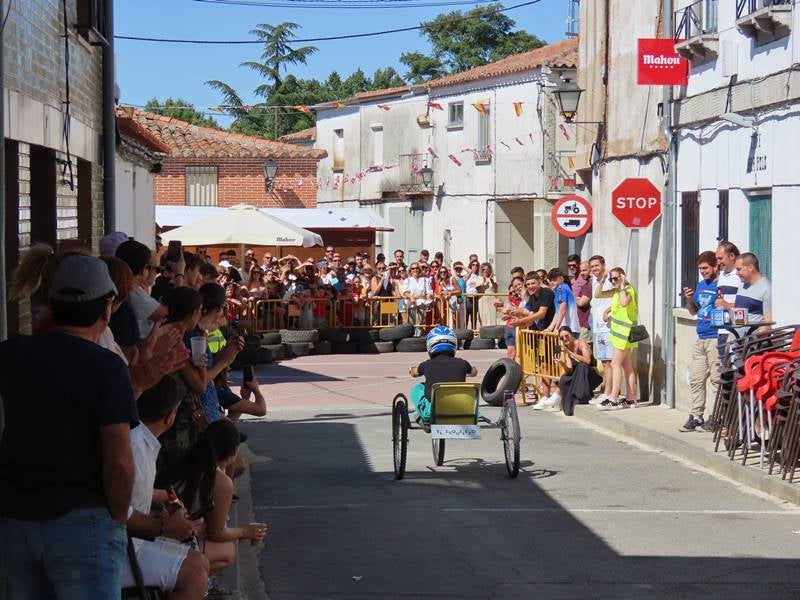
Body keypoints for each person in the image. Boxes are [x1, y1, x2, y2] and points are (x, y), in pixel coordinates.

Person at [0, 255, 137, 599]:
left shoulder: (11, 353)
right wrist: (119, 517)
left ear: (52, 303)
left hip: (16, 519)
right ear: (107, 309)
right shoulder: (106, 368)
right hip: (83, 519)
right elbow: (119, 459)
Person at [123, 377, 209, 598]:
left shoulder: (141, 441)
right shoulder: (137, 447)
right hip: (121, 550)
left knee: (199, 563)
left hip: (132, 542)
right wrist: (164, 526)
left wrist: (160, 507)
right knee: (195, 577)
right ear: (170, 417)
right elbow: (119, 510)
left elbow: (130, 498)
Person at [157, 420, 268, 574]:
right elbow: (217, 533)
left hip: (157, 530)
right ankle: (192, 583)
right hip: (169, 539)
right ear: (233, 452)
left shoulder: (187, 458)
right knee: (228, 551)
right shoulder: (220, 482)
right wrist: (245, 532)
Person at [680, 251, 720, 432]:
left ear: (715, 266)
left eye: (705, 268)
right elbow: (694, 311)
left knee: (717, 380)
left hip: (715, 337)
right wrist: (689, 298)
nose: (702, 272)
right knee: (696, 379)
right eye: (700, 269)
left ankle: (718, 416)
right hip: (701, 337)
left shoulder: (722, 284)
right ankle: (696, 416)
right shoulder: (702, 285)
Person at [408, 326, 477, 422]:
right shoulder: (462, 363)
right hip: (460, 409)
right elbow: (474, 372)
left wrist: (411, 370)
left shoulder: (427, 365)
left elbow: (415, 373)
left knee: (417, 389)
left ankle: (424, 415)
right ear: (453, 344)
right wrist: (470, 370)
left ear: (430, 345)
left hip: (434, 412)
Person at [594, 267, 638, 410]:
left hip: (625, 334)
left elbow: (625, 302)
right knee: (627, 366)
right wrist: (602, 280)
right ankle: (631, 399)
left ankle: (613, 398)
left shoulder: (628, 290)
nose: (613, 281)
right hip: (619, 333)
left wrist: (623, 286)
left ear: (622, 277)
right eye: (611, 279)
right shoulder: (615, 291)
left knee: (615, 364)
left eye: (615, 278)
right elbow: (598, 294)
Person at [548, 326, 603, 415]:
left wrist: (571, 354)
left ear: (571, 334)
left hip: (592, 375)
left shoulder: (581, 344)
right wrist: (562, 363)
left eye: (567, 335)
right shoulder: (566, 349)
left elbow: (587, 360)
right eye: (562, 337)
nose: (565, 339)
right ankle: (568, 405)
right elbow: (569, 370)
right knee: (564, 379)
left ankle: (581, 397)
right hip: (579, 376)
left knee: (581, 366)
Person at [588, 255, 614, 404]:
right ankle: (606, 391)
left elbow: (619, 295)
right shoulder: (595, 281)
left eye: (596, 266)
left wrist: (607, 312)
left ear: (603, 265)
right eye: (592, 267)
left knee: (609, 362)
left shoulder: (611, 278)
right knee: (604, 362)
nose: (594, 269)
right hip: (597, 326)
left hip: (608, 326)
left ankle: (609, 392)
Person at [734, 252, 772, 333]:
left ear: (750, 267)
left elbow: (768, 322)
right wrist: (729, 340)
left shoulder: (766, 288)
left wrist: (755, 341)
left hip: (752, 343)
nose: (736, 273)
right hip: (736, 343)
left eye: (739, 269)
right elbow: (737, 319)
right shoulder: (742, 285)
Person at [714, 241, 741, 356]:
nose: (718, 262)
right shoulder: (722, 276)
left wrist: (727, 305)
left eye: (721, 258)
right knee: (724, 371)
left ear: (732, 256)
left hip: (735, 331)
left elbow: (747, 304)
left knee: (735, 371)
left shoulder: (740, 275)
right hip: (722, 330)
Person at [546, 268, 580, 337]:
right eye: (551, 280)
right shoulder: (561, 289)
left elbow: (562, 309)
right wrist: (550, 328)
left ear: (561, 279)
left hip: (568, 330)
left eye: (554, 280)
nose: (552, 282)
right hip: (570, 329)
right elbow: (558, 312)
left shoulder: (561, 288)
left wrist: (556, 328)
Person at [500, 276, 524, 360]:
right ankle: (511, 370)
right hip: (509, 327)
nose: (513, 294)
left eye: (519, 285)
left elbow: (525, 313)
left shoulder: (524, 299)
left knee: (522, 352)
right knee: (510, 352)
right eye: (511, 292)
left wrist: (511, 313)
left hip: (520, 327)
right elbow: (503, 314)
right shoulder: (510, 299)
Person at [573, 261, 593, 343]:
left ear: (590, 270)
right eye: (581, 271)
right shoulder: (587, 284)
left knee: (584, 350)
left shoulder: (589, 286)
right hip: (581, 323)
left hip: (585, 324)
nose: (582, 273)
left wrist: (573, 297)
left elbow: (581, 302)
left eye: (584, 270)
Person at [476, 262, 499, 327]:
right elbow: (478, 289)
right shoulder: (479, 278)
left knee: (492, 317)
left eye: (487, 269)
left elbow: (495, 289)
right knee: (483, 317)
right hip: (483, 300)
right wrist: (485, 281)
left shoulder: (493, 279)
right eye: (484, 269)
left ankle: (493, 333)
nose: (485, 271)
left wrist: (491, 280)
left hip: (492, 299)